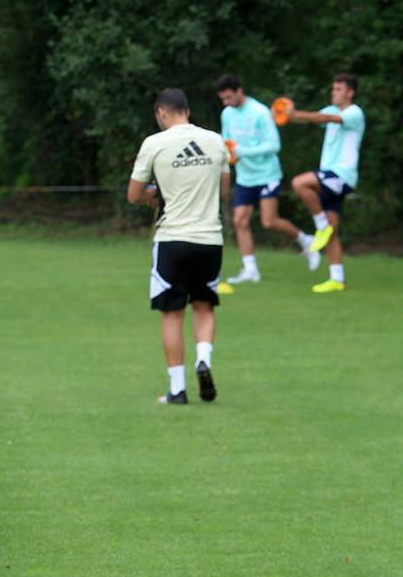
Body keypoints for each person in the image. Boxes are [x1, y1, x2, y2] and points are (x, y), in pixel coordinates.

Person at [127, 88, 230, 405]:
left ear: (161, 112)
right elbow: (224, 191)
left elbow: (133, 195)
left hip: (172, 239)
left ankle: (177, 390)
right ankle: (204, 360)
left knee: (172, 314)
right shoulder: (216, 141)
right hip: (210, 239)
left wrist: (153, 197)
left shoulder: (154, 144)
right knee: (204, 306)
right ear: (187, 110)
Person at [215, 74, 321, 286]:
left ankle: (305, 240)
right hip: (245, 176)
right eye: (223, 99)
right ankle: (250, 270)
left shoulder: (260, 112)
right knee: (240, 220)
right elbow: (226, 142)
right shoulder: (227, 114)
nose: (226, 103)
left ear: (239, 91)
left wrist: (242, 151)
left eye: (228, 97)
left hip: (266, 175)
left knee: (269, 221)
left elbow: (274, 146)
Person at [281, 73, 365, 293]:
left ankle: (320, 226)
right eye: (333, 88)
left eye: (338, 88)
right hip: (330, 176)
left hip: (341, 174)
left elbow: (325, 119)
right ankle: (337, 279)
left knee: (300, 183)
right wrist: (287, 115)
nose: (333, 92)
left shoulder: (354, 112)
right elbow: (312, 117)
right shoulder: (330, 111)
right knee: (332, 232)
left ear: (350, 92)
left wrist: (296, 113)